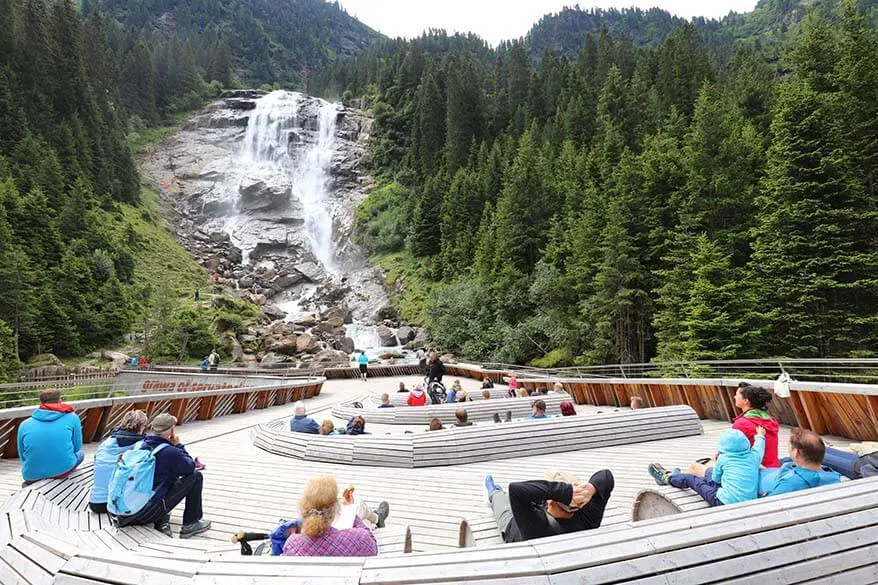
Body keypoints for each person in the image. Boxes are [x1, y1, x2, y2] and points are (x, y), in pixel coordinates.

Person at [115, 414, 211, 538]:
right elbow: (190, 466)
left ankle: (164, 521)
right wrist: (178, 445)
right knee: (196, 476)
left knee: (169, 474)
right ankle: (191, 523)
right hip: (146, 512)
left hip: (127, 511)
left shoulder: (140, 445)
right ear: (171, 430)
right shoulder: (170, 452)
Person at [484, 469, 614, 543]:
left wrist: (565, 492)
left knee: (501, 501)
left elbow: (516, 490)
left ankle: (493, 491)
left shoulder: (537, 528)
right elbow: (606, 476)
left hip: (513, 526)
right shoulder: (587, 517)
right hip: (538, 507)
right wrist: (590, 489)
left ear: (551, 500)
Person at [649, 428, 765, 507]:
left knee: (692, 479)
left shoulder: (724, 459)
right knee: (704, 477)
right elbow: (759, 448)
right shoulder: (754, 457)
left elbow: (715, 479)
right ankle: (676, 476)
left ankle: (665, 478)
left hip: (722, 501)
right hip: (749, 502)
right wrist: (760, 436)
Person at [282, 476, 379, 557]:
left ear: (303, 508)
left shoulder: (293, 544)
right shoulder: (359, 538)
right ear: (335, 510)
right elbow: (373, 547)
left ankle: (376, 518)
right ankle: (377, 518)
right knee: (364, 517)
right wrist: (350, 509)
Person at [18, 389, 84, 484]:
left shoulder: (24, 424)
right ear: (60, 401)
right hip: (61, 472)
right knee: (80, 454)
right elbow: (77, 447)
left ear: (40, 403)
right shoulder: (72, 417)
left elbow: (22, 455)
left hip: (31, 475)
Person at [89, 410, 148, 513]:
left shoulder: (105, 443)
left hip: (95, 501)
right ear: (142, 427)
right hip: (116, 503)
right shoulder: (140, 447)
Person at [758, 428, 840, 497]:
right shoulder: (833, 477)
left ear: (795, 453)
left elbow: (767, 504)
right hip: (771, 472)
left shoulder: (790, 484)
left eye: (789, 448)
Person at [731, 384, 780, 468]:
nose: (734, 397)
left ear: (746, 401)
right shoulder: (770, 420)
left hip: (755, 470)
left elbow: (729, 450)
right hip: (773, 468)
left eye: (737, 394)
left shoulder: (742, 423)